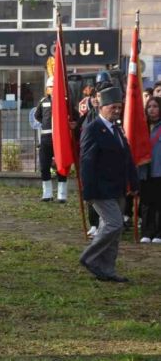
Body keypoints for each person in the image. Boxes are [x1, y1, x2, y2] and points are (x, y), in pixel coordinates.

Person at [79, 86, 138, 283]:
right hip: (100, 189)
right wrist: (87, 191)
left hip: (117, 188)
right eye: (113, 107)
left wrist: (134, 182)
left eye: (119, 107)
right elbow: (86, 162)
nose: (117, 110)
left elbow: (126, 157)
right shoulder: (93, 129)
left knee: (115, 230)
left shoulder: (117, 129)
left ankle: (107, 269)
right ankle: (89, 256)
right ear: (102, 107)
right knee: (114, 224)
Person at [35, 76, 73, 203]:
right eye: (50, 87)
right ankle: (47, 194)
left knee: (61, 166)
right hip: (46, 138)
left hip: (60, 139)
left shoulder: (65, 101)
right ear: (47, 89)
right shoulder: (43, 101)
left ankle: (62, 195)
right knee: (44, 166)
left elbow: (74, 116)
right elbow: (37, 116)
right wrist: (49, 126)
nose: (52, 89)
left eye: (54, 86)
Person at [139, 96, 161, 244]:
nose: (152, 109)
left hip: (159, 171)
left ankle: (159, 233)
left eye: (155, 106)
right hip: (144, 171)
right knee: (146, 203)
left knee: (159, 203)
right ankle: (147, 231)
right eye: (149, 107)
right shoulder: (141, 127)